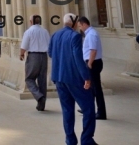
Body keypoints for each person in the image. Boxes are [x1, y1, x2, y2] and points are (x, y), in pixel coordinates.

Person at [48, 13, 97, 145]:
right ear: (74, 23)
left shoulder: (55, 35)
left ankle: (70, 140)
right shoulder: (75, 36)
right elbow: (78, 58)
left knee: (67, 110)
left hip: (59, 78)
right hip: (73, 79)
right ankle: (87, 139)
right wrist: (86, 77)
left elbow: (50, 53)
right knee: (88, 108)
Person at [20, 15, 51, 111]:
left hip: (33, 56)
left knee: (29, 78)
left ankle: (39, 97)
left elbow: (24, 46)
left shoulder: (29, 31)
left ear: (31, 22)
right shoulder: (45, 31)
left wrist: (21, 54)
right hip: (43, 56)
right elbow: (49, 44)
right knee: (42, 80)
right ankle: (41, 104)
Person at [78, 17, 106, 120]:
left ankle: (101, 112)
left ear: (84, 24)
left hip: (93, 63)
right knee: (91, 88)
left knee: (96, 89)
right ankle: (88, 108)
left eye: (80, 26)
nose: (80, 28)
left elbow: (93, 50)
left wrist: (89, 63)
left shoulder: (91, 34)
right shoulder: (90, 34)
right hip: (93, 62)